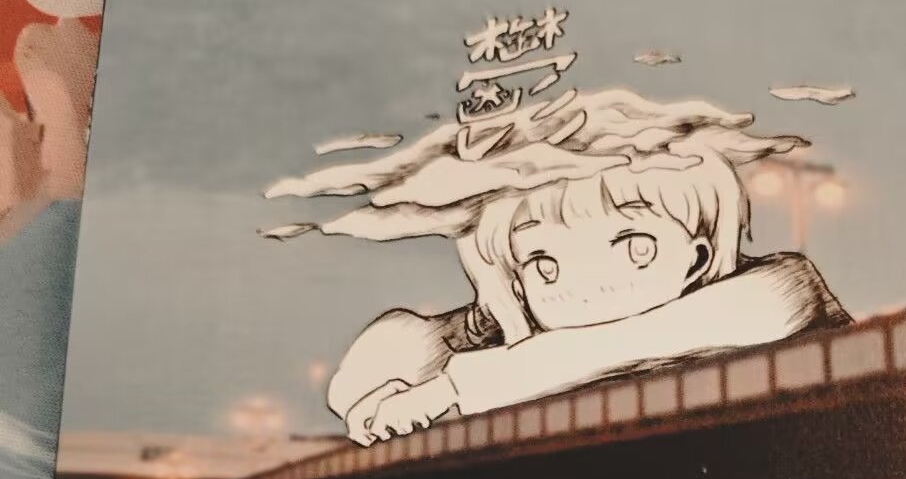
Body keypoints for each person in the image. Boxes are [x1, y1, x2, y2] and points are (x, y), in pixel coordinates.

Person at [262, 89, 852, 444]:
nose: (589, 286)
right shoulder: (522, 333)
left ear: (697, 256)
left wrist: (450, 387)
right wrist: (395, 382)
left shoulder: (777, 289)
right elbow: (382, 358)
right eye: (544, 263)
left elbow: (615, 344)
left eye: (635, 246)